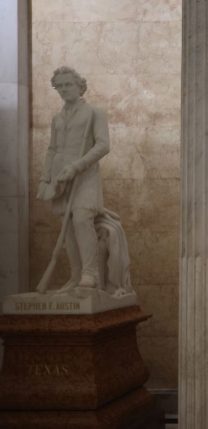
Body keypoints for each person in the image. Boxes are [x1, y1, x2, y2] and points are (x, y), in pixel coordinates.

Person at [37, 66, 110, 290]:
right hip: (60, 178)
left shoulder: (94, 113)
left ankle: (91, 273)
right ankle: (76, 275)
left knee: (81, 219)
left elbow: (103, 145)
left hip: (84, 176)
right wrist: (45, 178)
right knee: (66, 226)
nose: (63, 89)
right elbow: (52, 149)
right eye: (59, 86)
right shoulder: (57, 118)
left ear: (79, 86)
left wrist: (77, 166)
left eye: (68, 84)